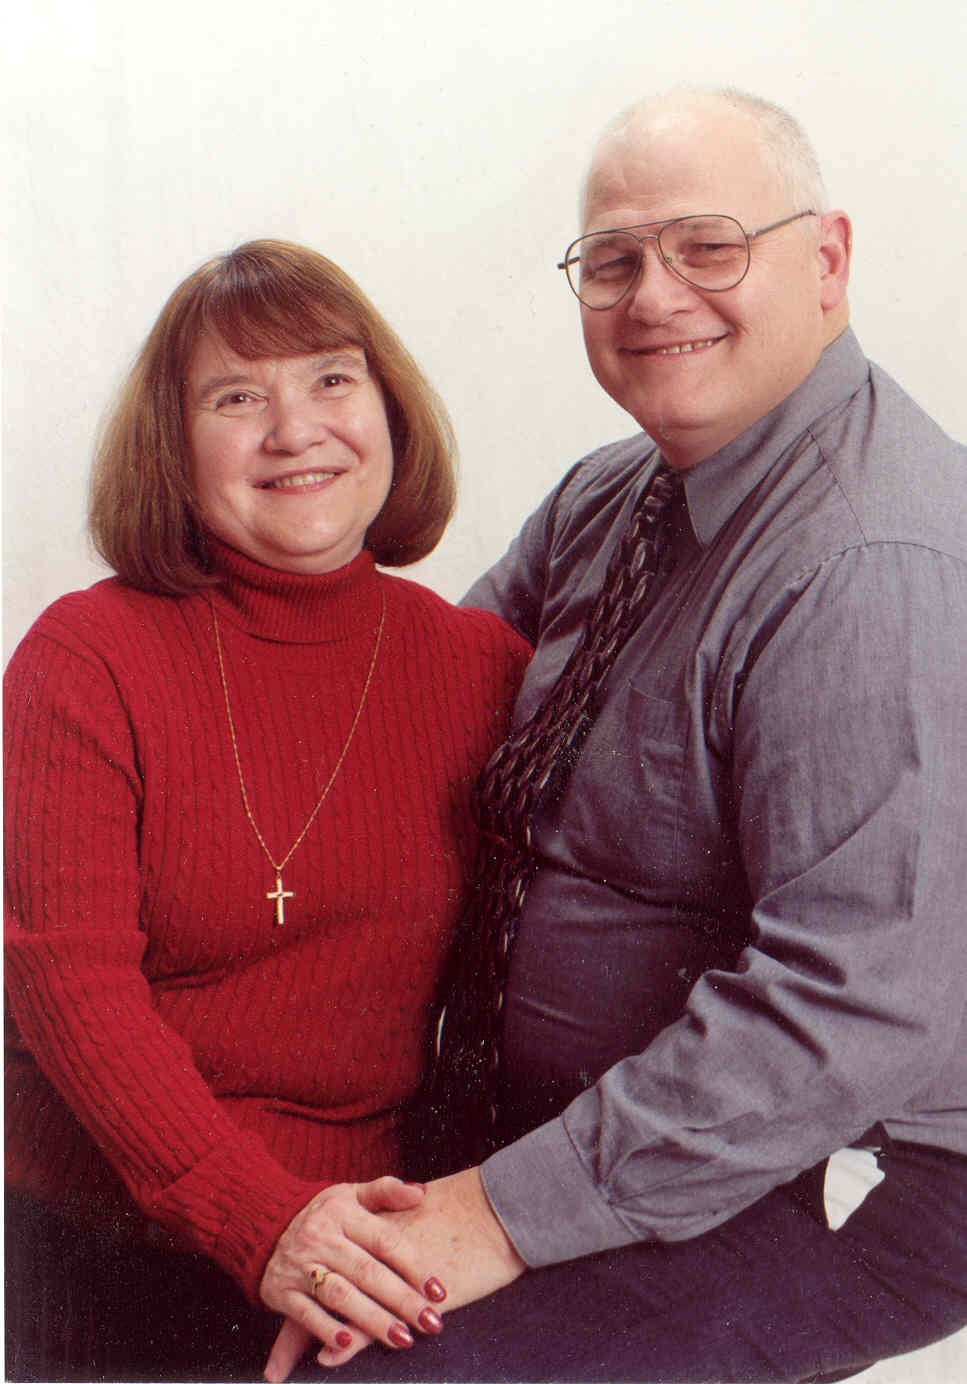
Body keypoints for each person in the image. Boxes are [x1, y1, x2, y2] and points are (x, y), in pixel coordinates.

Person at [265, 89, 967, 1383]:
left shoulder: (870, 563)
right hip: (552, 1123)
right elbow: (405, 729)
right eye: (612, 259)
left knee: (361, 1372)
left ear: (825, 262)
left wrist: (487, 1218)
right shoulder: (612, 493)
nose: (652, 296)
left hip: (825, 1167)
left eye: (707, 246)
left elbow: (845, 1014)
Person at [3, 239, 531, 1382]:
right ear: (173, 443)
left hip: (372, 1241)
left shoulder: (483, 668)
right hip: (112, 1242)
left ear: (387, 410)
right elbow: (68, 986)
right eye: (237, 397)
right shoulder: (85, 658)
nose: (296, 430)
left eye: (331, 378)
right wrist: (264, 1222)